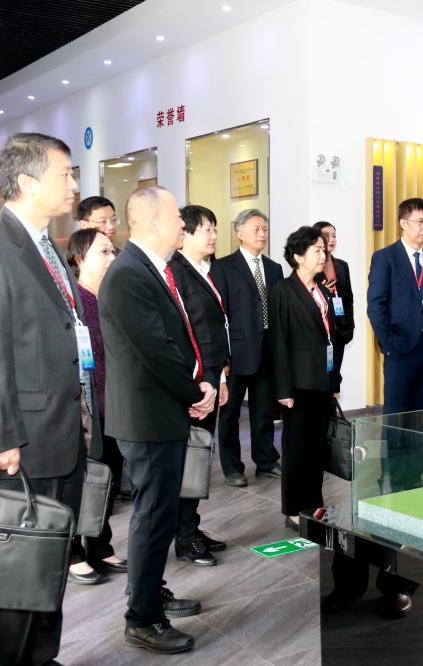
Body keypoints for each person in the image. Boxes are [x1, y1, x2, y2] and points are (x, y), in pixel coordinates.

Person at [0, 132, 95, 665]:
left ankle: (40, 657)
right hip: (20, 447)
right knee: (10, 579)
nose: (74, 184)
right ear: (29, 181)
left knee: (48, 564)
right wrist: (0, 438)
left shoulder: (47, 246)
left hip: (61, 434)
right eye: (65, 174)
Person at [99, 186, 216, 654]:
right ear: (152, 223)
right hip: (147, 417)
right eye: (176, 219)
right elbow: (157, 351)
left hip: (159, 411)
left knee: (159, 513)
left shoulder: (148, 268)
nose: (182, 227)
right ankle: (143, 618)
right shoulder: (129, 274)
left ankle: (150, 593)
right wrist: (195, 392)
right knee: (153, 517)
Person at [366, 197, 423, 489]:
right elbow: (376, 306)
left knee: (422, 419)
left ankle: (413, 475)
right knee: (397, 418)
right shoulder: (386, 258)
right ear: (403, 223)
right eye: (420, 222)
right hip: (401, 351)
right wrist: (389, 345)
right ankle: (392, 477)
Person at [167, 205, 231, 566]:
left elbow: (212, 330)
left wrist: (220, 376)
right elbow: (191, 334)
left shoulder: (203, 270)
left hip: (210, 376)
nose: (213, 236)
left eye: (214, 229)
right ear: (185, 234)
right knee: (190, 459)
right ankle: (185, 536)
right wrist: (203, 384)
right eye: (206, 229)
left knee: (199, 457)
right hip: (195, 384)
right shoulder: (177, 272)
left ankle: (190, 526)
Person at [65, 228, 127, 583]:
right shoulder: (74, 303)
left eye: (112, 251)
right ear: (79, 259)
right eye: (103, 252)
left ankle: (100, 546)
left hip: (114, 403)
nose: (112, 258)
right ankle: (73, 551)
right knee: (83, 482)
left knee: (107, 479)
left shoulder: (112, 298)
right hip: (86, 409)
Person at [270, 226, 337, 530]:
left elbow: (330, 337)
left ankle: (314, 504)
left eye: (324, 250)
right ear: (298, 256)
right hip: (297, 383)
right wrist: (282, 389)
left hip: (321, 380)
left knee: (316, 447)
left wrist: (334, 380)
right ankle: (294, 509)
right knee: (297, 448)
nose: (323, 255)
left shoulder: (322, 289)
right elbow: (278, 342)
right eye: (317, 250)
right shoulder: (283, 291)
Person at [210, 209, 283, 486]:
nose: (262, 234)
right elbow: (219, 314)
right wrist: (223, 356)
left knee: (263, 410)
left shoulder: (274, 268)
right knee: (229, 414)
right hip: (236, 353)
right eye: (256, 229)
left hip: (267, 350)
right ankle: (232, 468)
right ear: (239, 233)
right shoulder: (223, 267)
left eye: (265, 229)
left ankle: (266, 460)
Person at [312, 221, 354, 392]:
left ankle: (331, 407)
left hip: (340, 330)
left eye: (334, 235)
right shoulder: (311, 266)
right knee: (319, 377)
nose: (331, 239)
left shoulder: (342, 265)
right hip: (319, 331)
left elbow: (348, 298)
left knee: (334, 375)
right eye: (326, 235)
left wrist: (349, 326)